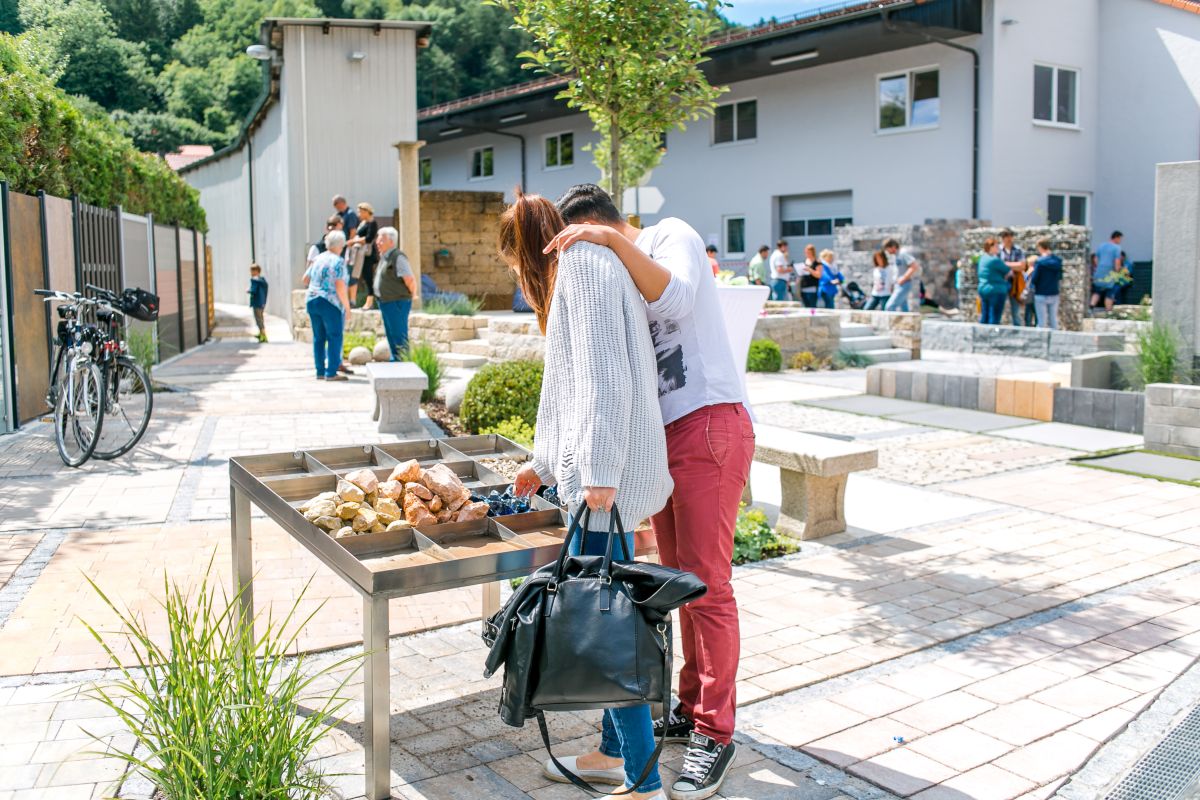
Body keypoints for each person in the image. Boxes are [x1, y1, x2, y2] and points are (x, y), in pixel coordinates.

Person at [542, 184, 754, 800]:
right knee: (675, 586)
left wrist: (606, 239)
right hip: (662, 440)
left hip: (708, 421)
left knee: (709, 586)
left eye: (582, 239)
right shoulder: (624, 273)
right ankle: (688, 709)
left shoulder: (668, 234)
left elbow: (680, 296)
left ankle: (715, 732)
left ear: (595, 224)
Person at [506, 192, 673, 800]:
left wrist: (598, 471)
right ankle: (611, 755)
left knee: (609, 631)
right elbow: (570, 383)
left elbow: (604, 377)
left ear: (524, 249)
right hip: (609, 477)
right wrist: (543, 463)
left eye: (511, 262)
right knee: (612, 612)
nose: (515, 275)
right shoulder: (590, 263)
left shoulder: (580, 265)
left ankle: (644, 782)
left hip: (607, 482)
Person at [303, 230, 351, 381]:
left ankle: (320, 371)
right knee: (334, 336)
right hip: (329, 302)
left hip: (312, 299)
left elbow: (305, 279)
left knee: (318, 337)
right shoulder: (338, 261)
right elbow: (339, 285)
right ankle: (331, 372)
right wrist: (347, 307)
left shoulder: (318, 258)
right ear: (341, 245)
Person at [373, 226, 416, 359]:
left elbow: (409, 279)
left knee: (398, 335)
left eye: (381, 240)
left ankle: (403, 363)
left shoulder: (398, 257)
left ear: (391, 242)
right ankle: (396, 361)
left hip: (396, 302)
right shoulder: (385, 256)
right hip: (386, 301)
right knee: (391, 335)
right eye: (378, 239)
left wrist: (412, 295)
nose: (377, 242)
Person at [348, 202, 379, 310]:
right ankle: (368, 301)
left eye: (361, 212)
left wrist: (354, 241)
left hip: (367, 254)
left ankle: (370, 302)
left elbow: (369, 238)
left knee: (368, 277)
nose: (359, 214)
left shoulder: (372, 223)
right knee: (364, 278)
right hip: (360, 254)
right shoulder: (363, 223)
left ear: (367, 212)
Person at [998, 229, 1029, 327]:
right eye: (1006, 237)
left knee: (1016, 311)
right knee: (999, 309)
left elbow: (1022, 266)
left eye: (1010, 236)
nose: (1009, 239)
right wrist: (1014, 265)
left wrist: (1004, 264)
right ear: (1003, 238)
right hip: (1001, 282)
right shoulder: (998, 250)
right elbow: (996, 266)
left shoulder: (1018, 250)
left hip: (1015, 283)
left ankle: (1017, 330)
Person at [1028, 239, 1062, 329]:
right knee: (1053, 320)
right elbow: (1060, 277)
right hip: (1054, 293)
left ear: (1040, 247)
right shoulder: (1058, 261)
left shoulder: (1039, 262)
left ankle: (1040, 338)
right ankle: (1055, 337)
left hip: (1041, 293)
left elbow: (1034, 279)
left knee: (1041, 322)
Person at [977, 238, 1008, 325]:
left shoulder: (982, 258)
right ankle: (992, 333)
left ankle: (983, 333)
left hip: (983, 289)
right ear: (991, 247)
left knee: (985, 316)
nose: (998, 248)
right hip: (995, 290)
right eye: (996, 246)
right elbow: (1008, 271)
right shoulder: (994, 260)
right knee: (994, 318)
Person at [883, 238, 921, 312]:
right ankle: (908, 320)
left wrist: (904, 278)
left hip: (904, 284)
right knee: (904, 309)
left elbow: (914, 266)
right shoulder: (896, 255)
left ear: (893, 247)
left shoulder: (903, 253)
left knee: (890, 306)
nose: (887, 251)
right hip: (898, 284)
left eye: (888, 249)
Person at [1092, 231, 1124, 313]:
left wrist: (1099, 267)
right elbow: (1117, 261)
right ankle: (1108, 311)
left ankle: (1091, 308)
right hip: (1110, 272)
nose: (1120, 241)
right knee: (1110, 293)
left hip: (1099, 271)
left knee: (1097, 291)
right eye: (1120, 239)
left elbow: (1095, 258)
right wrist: (1117, 271)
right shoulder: (1116, 248)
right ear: (1116, 237)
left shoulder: (1101, 246)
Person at [247, 263, 268, 343]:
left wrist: (248, 290)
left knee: (258, 320)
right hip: (262, 302)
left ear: (256, 271)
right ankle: (261, 334)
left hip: (256, 303)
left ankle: (263, 336)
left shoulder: (254, 280)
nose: (251, 273)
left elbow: (253, 290)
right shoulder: (263, 280)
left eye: (252, 271)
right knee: (261, 319)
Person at [797, 244, 822, 308]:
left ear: (812, 252)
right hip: (803, 288)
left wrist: (810, 270)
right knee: (805, 308)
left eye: (808, 252)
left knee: (812, 307)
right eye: (806, 252)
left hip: (812, 289)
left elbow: (819, 275)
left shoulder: (817, 262)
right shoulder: (804, 261)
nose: (807, 254)